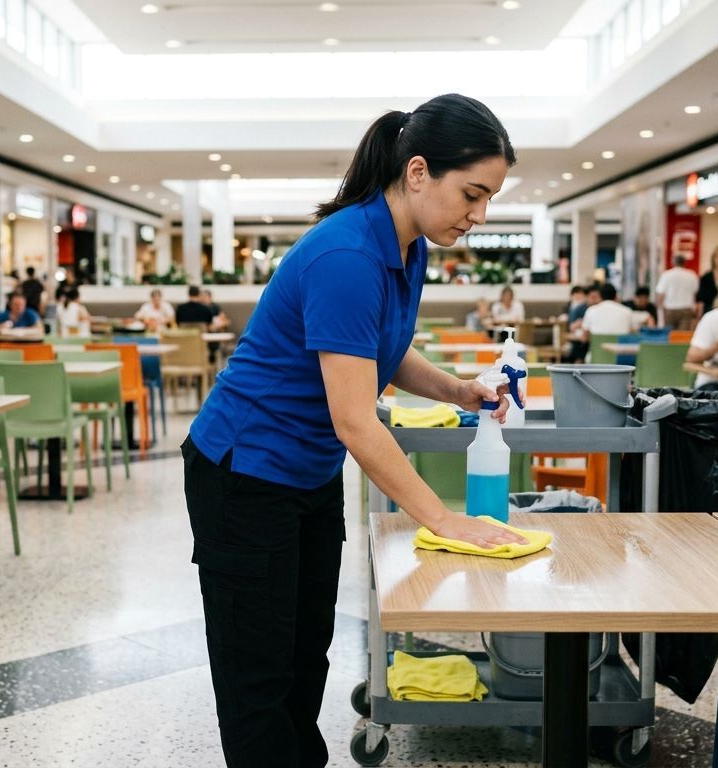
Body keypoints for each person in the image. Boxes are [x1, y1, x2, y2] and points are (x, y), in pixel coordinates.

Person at [183, 94, 524, 768]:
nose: (479, 216)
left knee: (305, 651)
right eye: (472, 194)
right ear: (419, 172)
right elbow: (353, 419)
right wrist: (440, 518)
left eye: (489, 199)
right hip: (244, 473)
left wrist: (457, 390)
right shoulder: (346, 254)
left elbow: (382, 349)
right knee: (260, 674)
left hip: (304, 476)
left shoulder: (406, 245)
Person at [656, 254, 699, 331]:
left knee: (669, 336)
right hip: (686, 309)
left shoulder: (666, 275)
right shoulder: (692, 275)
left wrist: (659, 311)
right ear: (685, 263)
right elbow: (695, 294)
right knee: (682, 337)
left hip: (670, 310)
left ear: (673, 262)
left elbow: (660, 295)